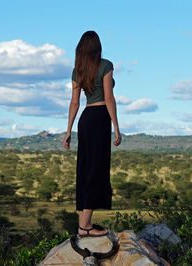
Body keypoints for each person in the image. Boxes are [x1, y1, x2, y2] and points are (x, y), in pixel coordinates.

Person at [62, 30, 122, 237]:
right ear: (97, 47)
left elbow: (75, 102)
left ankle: (83, 225)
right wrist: (116, 127)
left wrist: (69, 130)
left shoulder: (77, 70)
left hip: (85, 120)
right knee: (95, 170)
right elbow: (109, 98)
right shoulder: (105, 65)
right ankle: (85, 227)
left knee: (85, 168)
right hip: (99, 118)